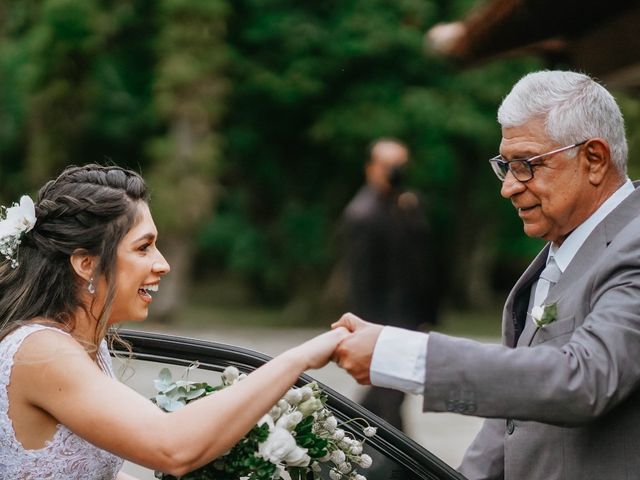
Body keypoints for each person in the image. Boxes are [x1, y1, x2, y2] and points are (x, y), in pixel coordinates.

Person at [332, 70, 640, 480]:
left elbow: (584, 378)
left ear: (594, 159)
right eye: (506, 167)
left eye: (526, 165)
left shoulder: (632, 242)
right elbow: (514, 415)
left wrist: (401, 355)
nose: (509, 187)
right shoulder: (565, 243)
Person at [0, 164, 348, 479]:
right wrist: (298, 359)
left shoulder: (83, 345)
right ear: (86, 264)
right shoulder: (43, 352)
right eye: (143, 248)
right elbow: (171, 448)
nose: (163, 264)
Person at [341, 138, 437, 431]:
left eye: (401, 166)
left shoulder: (407, 204)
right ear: (372, 168)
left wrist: (424, 316)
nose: (396, 172)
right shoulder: (363, 213)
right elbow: (361, 279)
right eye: (389, 166)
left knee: (388, 394)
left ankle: (351, 435)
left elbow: (422, 260)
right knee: (388, 394)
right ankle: (398, 462)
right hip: (381, 320)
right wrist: (369, 329)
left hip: (407, 315)